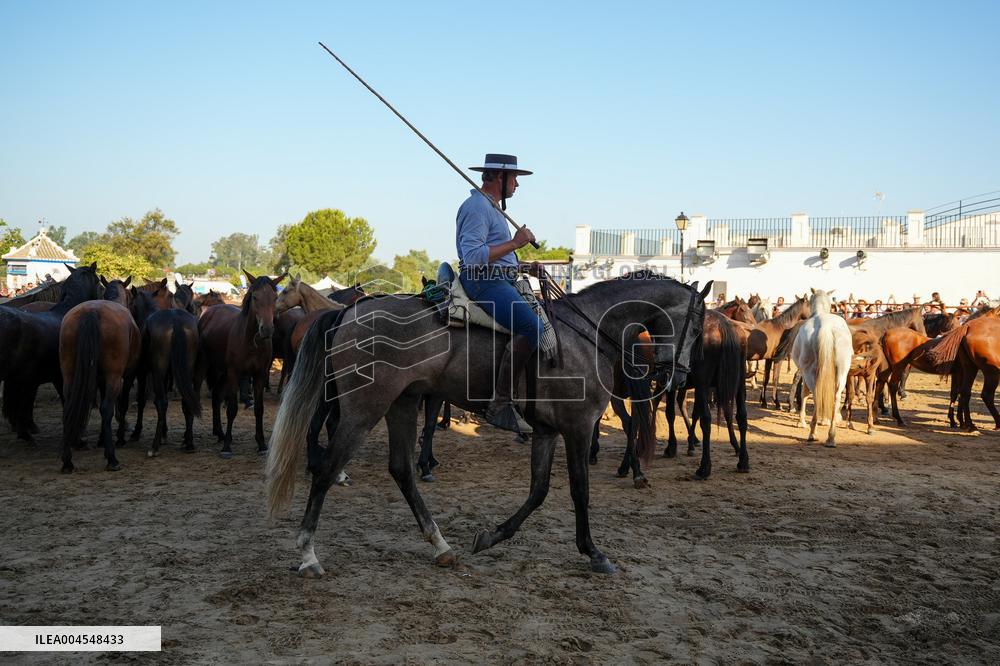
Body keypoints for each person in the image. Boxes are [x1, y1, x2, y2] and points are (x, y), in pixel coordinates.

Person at [456, 153, 542, 435]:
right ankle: (500, 404)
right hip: (484, 282)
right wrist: (516, 242)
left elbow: (496, 255)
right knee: (532, 327)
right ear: (500, 177)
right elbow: (473, 257)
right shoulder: (477, 207)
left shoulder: (492, 208)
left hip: (499, 279)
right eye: (515, 178)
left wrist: (524, 265)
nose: (517, 184)